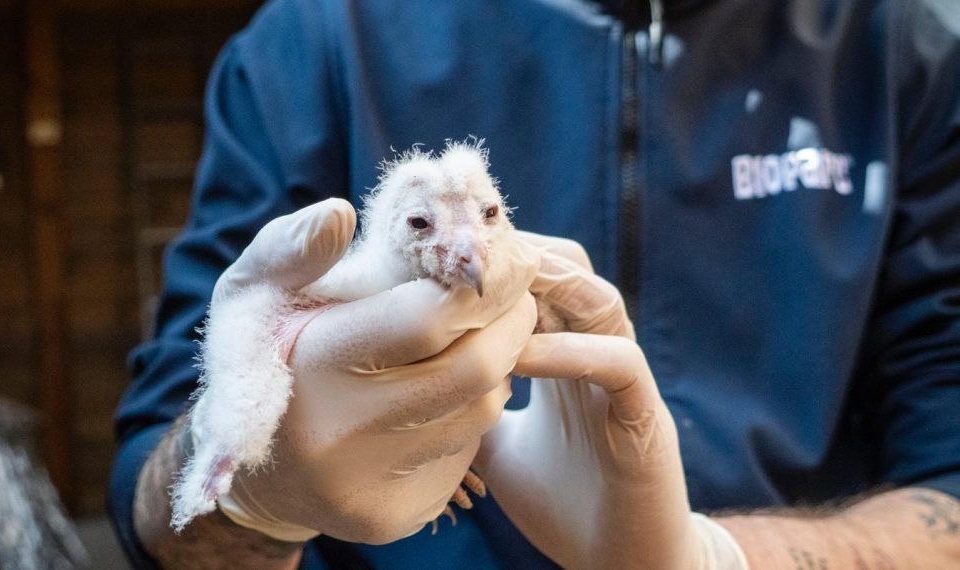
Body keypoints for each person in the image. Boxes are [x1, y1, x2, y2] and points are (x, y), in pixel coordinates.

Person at [107, 0, 960, 568]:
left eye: (485, 218)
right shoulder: (320, 38)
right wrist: (258, 490)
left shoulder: (901, 58)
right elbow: (152, 497)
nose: (466, 248)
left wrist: (709, 559)